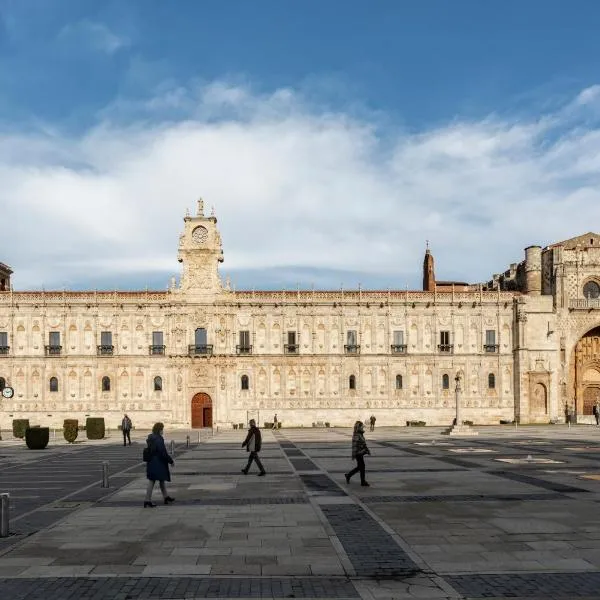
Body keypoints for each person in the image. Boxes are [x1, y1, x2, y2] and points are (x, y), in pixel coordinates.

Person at [144, 422, 175, 507]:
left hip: (152, 461)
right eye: (162, 429)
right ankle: (147, 500)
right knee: (152, 480)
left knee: (161, 480)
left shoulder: (152, 437)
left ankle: (166, 496)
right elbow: (163, 452)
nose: (163, 431)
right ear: (159, 430)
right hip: (158, 462)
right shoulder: (158, 439)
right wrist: (170, 461)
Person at [345, 421, 370, 487]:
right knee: (362, 467)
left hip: (360, 453)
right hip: (358, 453)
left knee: (360, 467)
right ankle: (362, 481)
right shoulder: (357, 434)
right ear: (359, 427)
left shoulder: (360, 433)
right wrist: (355, 454)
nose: (363, 427)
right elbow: (355, 445)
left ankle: (349, 475)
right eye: (362, 426)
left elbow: (362, 443)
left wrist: (366, 449)